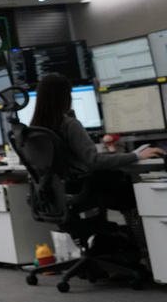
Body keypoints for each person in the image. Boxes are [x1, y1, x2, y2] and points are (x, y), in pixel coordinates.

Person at [29, 72, 164, 210]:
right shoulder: (69, 124)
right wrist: (137, 155)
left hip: (56, 195)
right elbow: (94, 161)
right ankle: (135, 221)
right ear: (64, 97)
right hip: (82, 189)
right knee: (129, 186)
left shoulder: (33, 130)